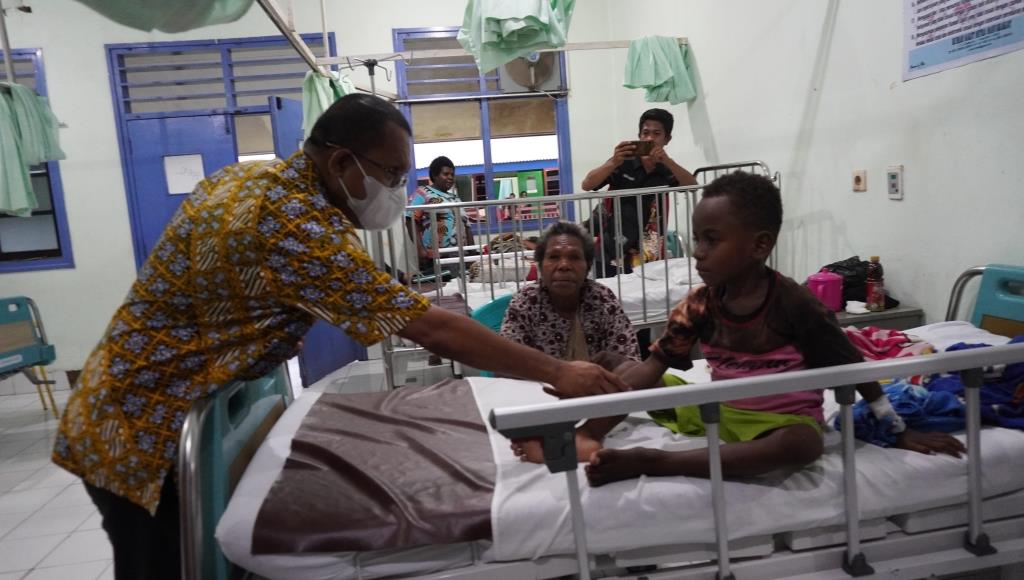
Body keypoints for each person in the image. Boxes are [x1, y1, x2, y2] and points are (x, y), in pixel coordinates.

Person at [52, 94, 626, 580]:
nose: (398, 189)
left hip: (139, 394)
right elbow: (429, 326)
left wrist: (262, 331)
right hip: (145, 425)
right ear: (343, 162)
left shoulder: (249, 178)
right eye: (392, 175)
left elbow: (217, 283)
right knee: (160, 564)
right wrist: (557, 369)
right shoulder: (293, 224)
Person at [516, 171, 966, 485]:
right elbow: (649, 373)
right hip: (718, 408)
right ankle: (583, 434)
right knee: (629, 372)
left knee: (804, 445)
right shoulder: (698, 304)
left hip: (780, 422)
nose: (698, 252)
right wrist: (587, 403)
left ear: (759, 245)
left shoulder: (795, 304)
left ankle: (656, 461)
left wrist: (897, 429)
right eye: (698, 239)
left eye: (712, 240)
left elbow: (854, 370)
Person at [581, 108, 698, 277]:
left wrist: (668, 162)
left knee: (648, 291)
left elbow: (692, 186)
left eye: (656, 134)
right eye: (645, 133)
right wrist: (613, 162)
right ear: (639, 135)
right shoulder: (622, 162)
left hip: (649, 251)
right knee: (609, 290)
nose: (649, 138)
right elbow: (587, 184)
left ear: (667, 139)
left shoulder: (666, 168)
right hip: (612, 246)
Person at [500, 221, 639, 363]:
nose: (564, 265)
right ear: (540, 265)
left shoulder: (602, 299)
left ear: (588, 265)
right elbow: (507, 365)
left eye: (574, 257)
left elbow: (629, 361)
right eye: (554, 257)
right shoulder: (526, 301)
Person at [407, 155, 474, 273]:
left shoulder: (455, 198)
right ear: (434, 175)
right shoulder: (422, 193)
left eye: (452, 174)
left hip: (460, 255)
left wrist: (472, 252)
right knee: (441, 284)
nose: (450, 178)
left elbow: (467, 226)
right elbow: (410, 219)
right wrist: (420, 250)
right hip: (435, 256)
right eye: (446, 174)